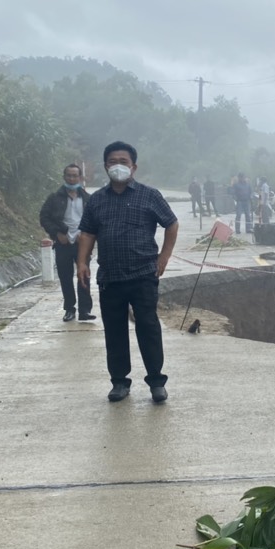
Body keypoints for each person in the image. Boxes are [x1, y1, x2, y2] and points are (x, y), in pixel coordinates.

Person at [77, 141, 179, 403]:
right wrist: (82, 262)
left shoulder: (149, 195)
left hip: (143, 275)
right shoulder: (97, 200)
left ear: (134, 166)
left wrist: (164, 257)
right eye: (113, 162)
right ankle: (119, 383)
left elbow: (171, 223)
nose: (118, 166)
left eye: (123, 161)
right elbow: (88, 232)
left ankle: (156, 382)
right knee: (114, 331)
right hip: (110, 277)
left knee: (148, 328)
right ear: (105, 167)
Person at [39, 163, 97, 323]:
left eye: (75, 175)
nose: (72, 178)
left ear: (80, 178)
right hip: (63, 243)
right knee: (65, 277)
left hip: (82, 243)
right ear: (64, 177)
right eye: (69, 175)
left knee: (83, 275)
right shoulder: (54, 198)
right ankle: (69, 309)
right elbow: (44, 217)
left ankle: (85, 310)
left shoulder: (88, 199)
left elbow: (94, 220)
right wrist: (57, 234)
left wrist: (86, 235)